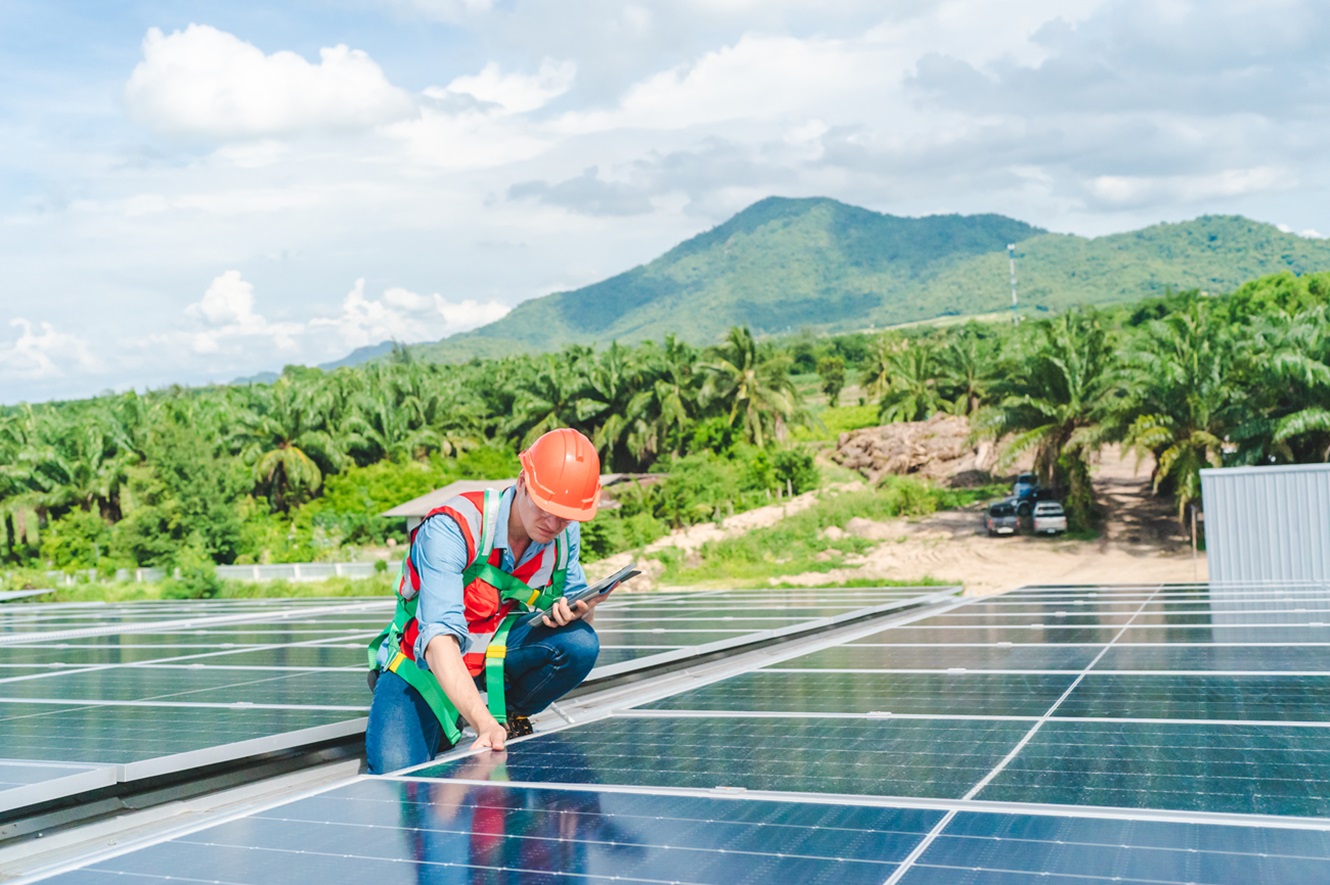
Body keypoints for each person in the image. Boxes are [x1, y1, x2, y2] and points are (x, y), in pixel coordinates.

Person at [365, 428, 607, 774]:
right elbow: (438, 642)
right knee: (399, 774)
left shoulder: (565, 534)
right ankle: (449, 712)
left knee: (580, 643)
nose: (553, 522)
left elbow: (578, 620)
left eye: (565, 515)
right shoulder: (453, 527)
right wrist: (482, 723)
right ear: (524, 481)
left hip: (494, 651)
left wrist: (584, 610)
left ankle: (506, 712)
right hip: (424, 666)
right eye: (544, 508)